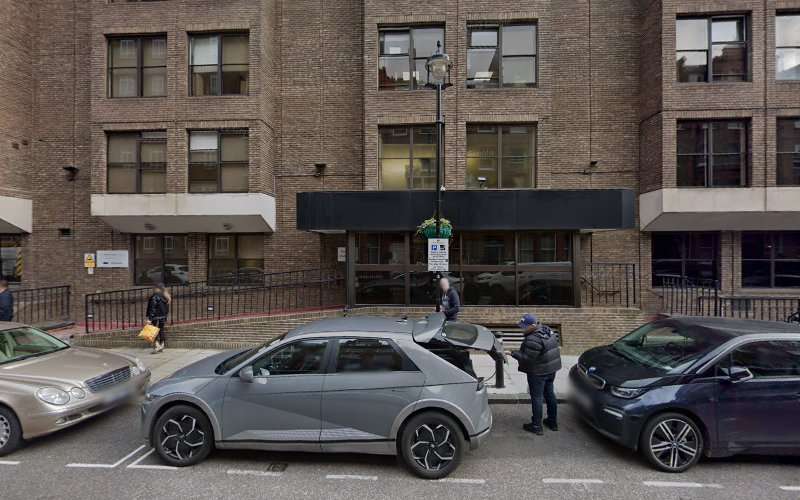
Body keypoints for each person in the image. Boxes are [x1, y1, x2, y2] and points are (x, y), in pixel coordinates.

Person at [511, 313, 562, 435]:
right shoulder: (547, 330)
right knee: (550, 394)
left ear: (533, 325)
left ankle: (536, 426)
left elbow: (527, 358)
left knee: (537, 397)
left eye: (524, 326)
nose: (522, 328)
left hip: (539, 372)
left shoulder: (533, 338)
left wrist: (513, 353)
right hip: (551, 369)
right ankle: (552, 422)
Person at [146, 283, 171, 353]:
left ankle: (157, 346)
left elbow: (152, 308)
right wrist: (165, 316)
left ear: (157, 288)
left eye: (154, 288)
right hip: (163, 316)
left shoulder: (155, 297)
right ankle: (162, 345)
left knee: (153, 331)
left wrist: (150, 319)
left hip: (155, 317)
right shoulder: (166, 297)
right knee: (161, 330)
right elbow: (167, 309)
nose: (153, 289)